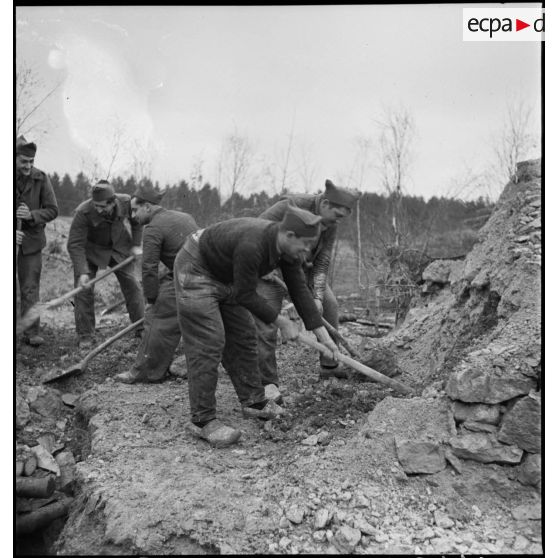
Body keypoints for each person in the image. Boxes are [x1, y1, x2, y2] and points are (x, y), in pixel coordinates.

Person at [174, 205, 339, 448]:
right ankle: (202, 420)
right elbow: (245, 295)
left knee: (243, 336)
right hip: (196, 269)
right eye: (304, 245)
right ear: (289, 235)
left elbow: (299, 290)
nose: (307, 252)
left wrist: (323, 335)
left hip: (226, 273)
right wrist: (282, 322)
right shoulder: (254, 244)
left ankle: (253, 401)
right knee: (209, 341)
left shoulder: (288, 249)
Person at [256, 179, 360, 399]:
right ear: (324, 204)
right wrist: (263, 266)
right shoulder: (290, 205)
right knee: (267, 318)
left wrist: (318, 297)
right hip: (270, 265)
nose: (338, 222)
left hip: (300, 266)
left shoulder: (330, 225)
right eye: (338, 215)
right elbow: (256, 229)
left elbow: (322, 260)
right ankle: (266, 383)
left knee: (330, 305)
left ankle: (329, 365)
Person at [115, 184, 198, 384]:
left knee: (157, 316)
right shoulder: (184, 216)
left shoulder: (152, 228)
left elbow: (149, 268)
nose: (133, 216)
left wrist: (151, 299)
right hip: (203, 272)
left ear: (148, 207)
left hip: (188, 276)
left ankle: (145, 372)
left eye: (135, 210)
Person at [67, 180, 144, 348]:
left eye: (102, 207)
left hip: (119, 247)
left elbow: (137, 221)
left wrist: (136, 244)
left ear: (113, 202)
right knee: (83, 289)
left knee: (133, 285)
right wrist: (82, 271)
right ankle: (86, 335)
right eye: (95, 205)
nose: (98, 209)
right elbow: (74, 244)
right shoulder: (83, 211)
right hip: (91, 251)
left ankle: (142, 327)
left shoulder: (125, 202)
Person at [15, 136, 59, 346]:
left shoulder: (41, 179)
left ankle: (31, 333)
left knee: (30, 288)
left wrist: (31, 215)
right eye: (23, 161)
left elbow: (52, 210)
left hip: (31, 243)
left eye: (31, 162)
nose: (28, 166)